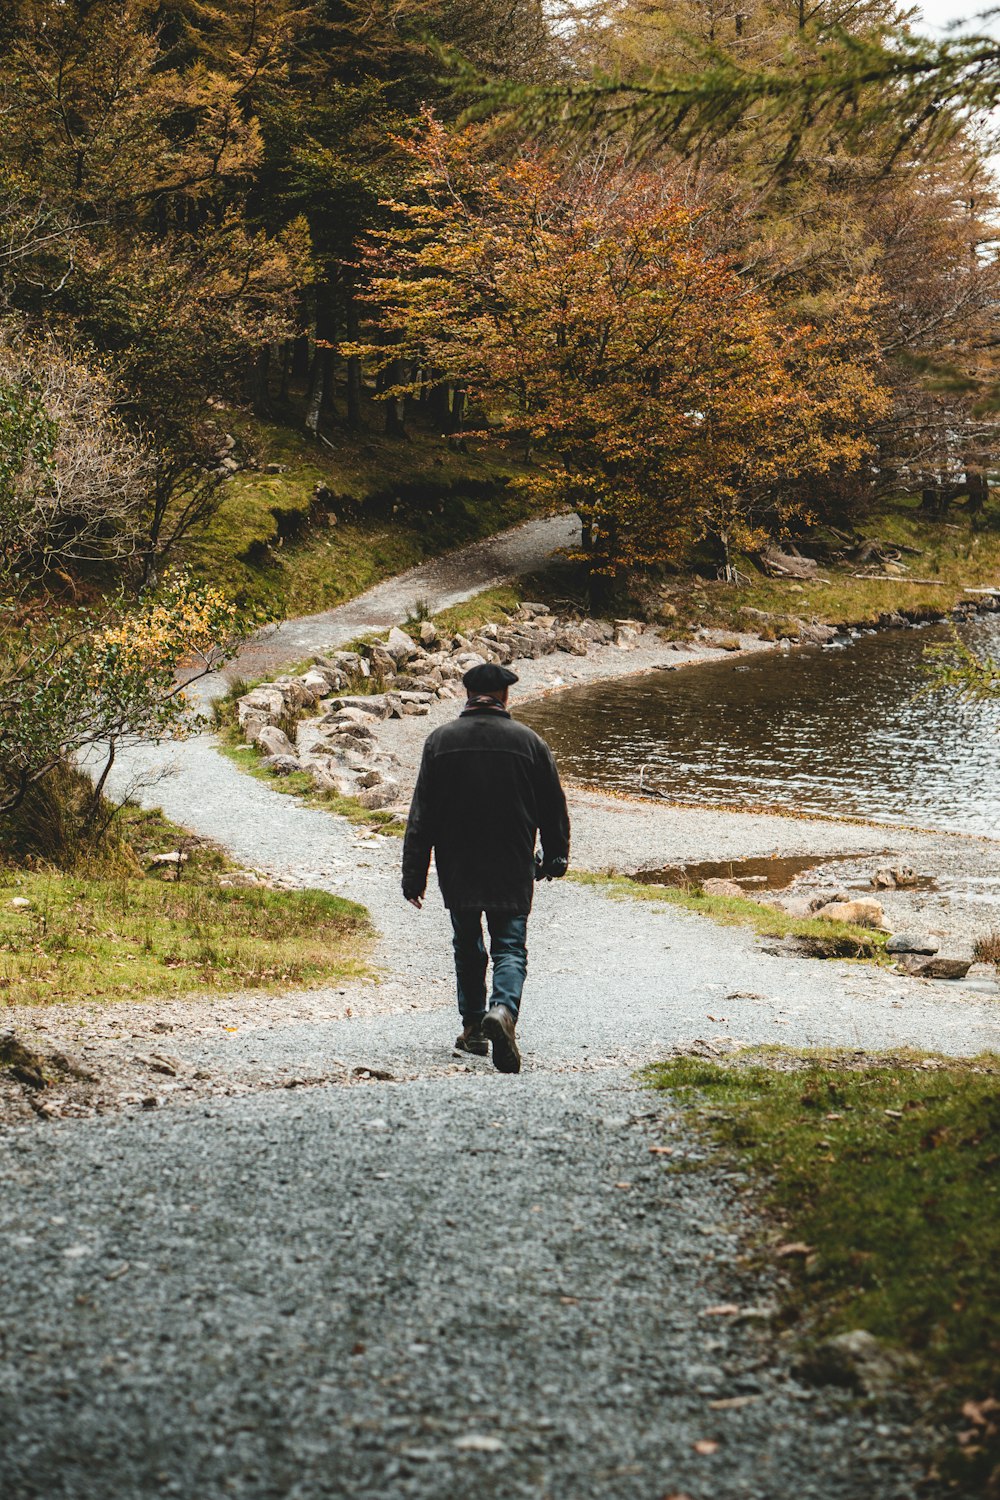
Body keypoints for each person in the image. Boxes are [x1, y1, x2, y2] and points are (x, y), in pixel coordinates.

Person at [401, 661, 570, 1074]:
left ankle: (474, 1027)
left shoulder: (440, 742)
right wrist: (555, 856)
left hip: (457, 862)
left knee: (468, 946)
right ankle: (503, 1011)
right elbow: (553, 808)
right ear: (505, 696)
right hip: (511, 860)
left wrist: (414, 873)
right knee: (509, 946)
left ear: (467, 693)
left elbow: (421, 814)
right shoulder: (529, 742)